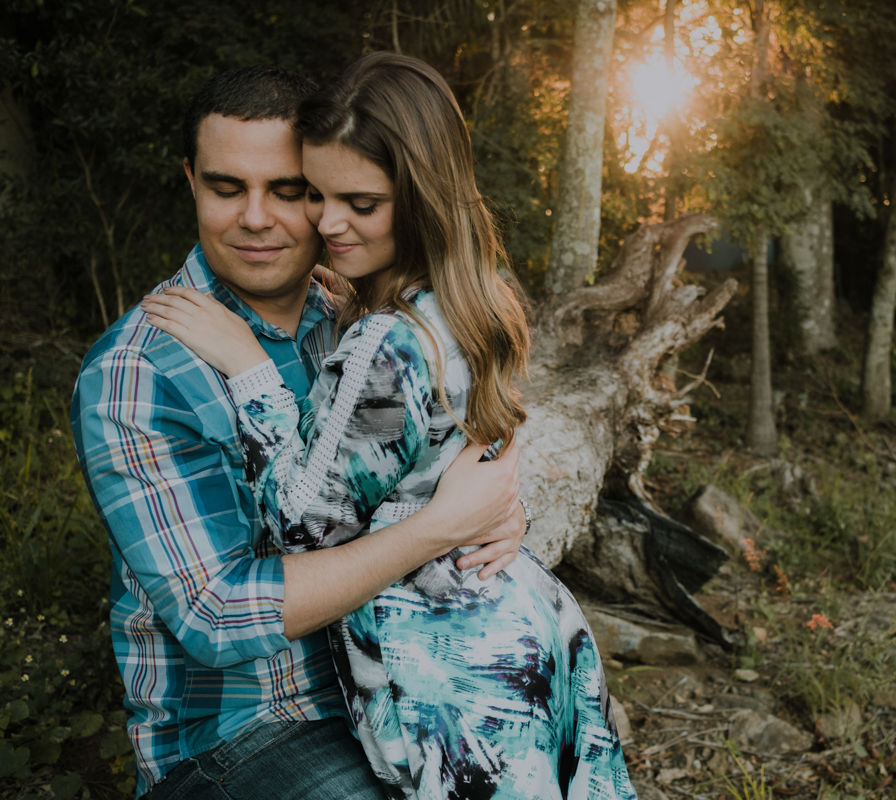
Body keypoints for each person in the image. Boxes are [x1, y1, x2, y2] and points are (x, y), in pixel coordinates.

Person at [140, 53, 637, 800]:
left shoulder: (387, 343)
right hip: (525, 628)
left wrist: (252, 371)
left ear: (419, 199)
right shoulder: (478, 302)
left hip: (449, 668)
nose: (328, 222)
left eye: (360, 204)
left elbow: (306, 526)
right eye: (318, 193)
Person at [71, 65, 528, 800]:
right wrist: (438, 529)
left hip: (394, 688)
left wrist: (501, 504)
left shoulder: (355, 319)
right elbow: (215, 615)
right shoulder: (140, 370)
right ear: (191, 181)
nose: (257, 217)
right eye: (227, 187)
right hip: (244, 737)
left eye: (290, 191)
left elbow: (448, 438)